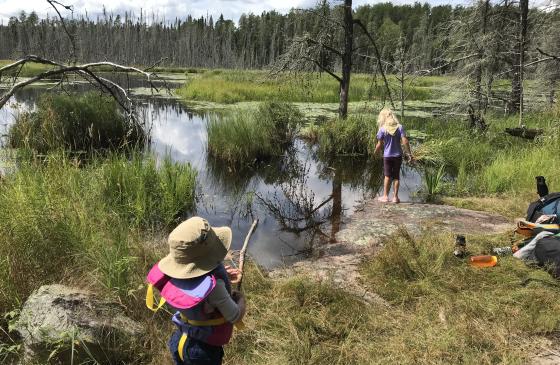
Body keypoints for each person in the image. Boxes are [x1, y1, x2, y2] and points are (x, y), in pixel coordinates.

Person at [145, 216, 246, 365]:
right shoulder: (216, 288)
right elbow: (235, 316)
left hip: (179, 338)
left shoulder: (172, 275)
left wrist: (221, 275)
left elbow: (195, 280)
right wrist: (240, 299)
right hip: (203, 351)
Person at [374, 108, 413, 203]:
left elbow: (379, 144)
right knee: (396, 176)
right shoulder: (399, 127)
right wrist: (409, 153)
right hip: (398, 155)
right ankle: (395, 197)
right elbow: (405, 141)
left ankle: (385, 196)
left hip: (387, 156)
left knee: (387, 176)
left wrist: (375, 152)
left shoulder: (382, 129)